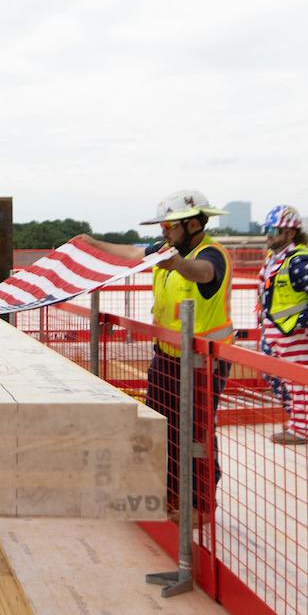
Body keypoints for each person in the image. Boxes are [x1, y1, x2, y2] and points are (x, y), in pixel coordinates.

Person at [76, 189, 233, 516]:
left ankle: (200, 505)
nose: (163, 232)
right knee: (164, 428)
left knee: (196, 434)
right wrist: (94, 243)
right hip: (166, 358)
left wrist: (177, 264)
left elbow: (203, 272)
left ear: (191, 224)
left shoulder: (211, 254)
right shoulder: (165, 251)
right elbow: (132, 252)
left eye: (169, 227)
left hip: (203, 363)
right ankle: (171, 494)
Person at [256, 205, 308, 445]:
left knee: (301, 382)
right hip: (280, 332)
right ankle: (300, 422)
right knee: (287, 379)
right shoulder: (277, 258)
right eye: (267, 229)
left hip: (295, 334)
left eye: (273, 230)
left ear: (290, 234)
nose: (268, 234)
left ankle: (304, 430)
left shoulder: (299, 260)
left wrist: (298, 324)